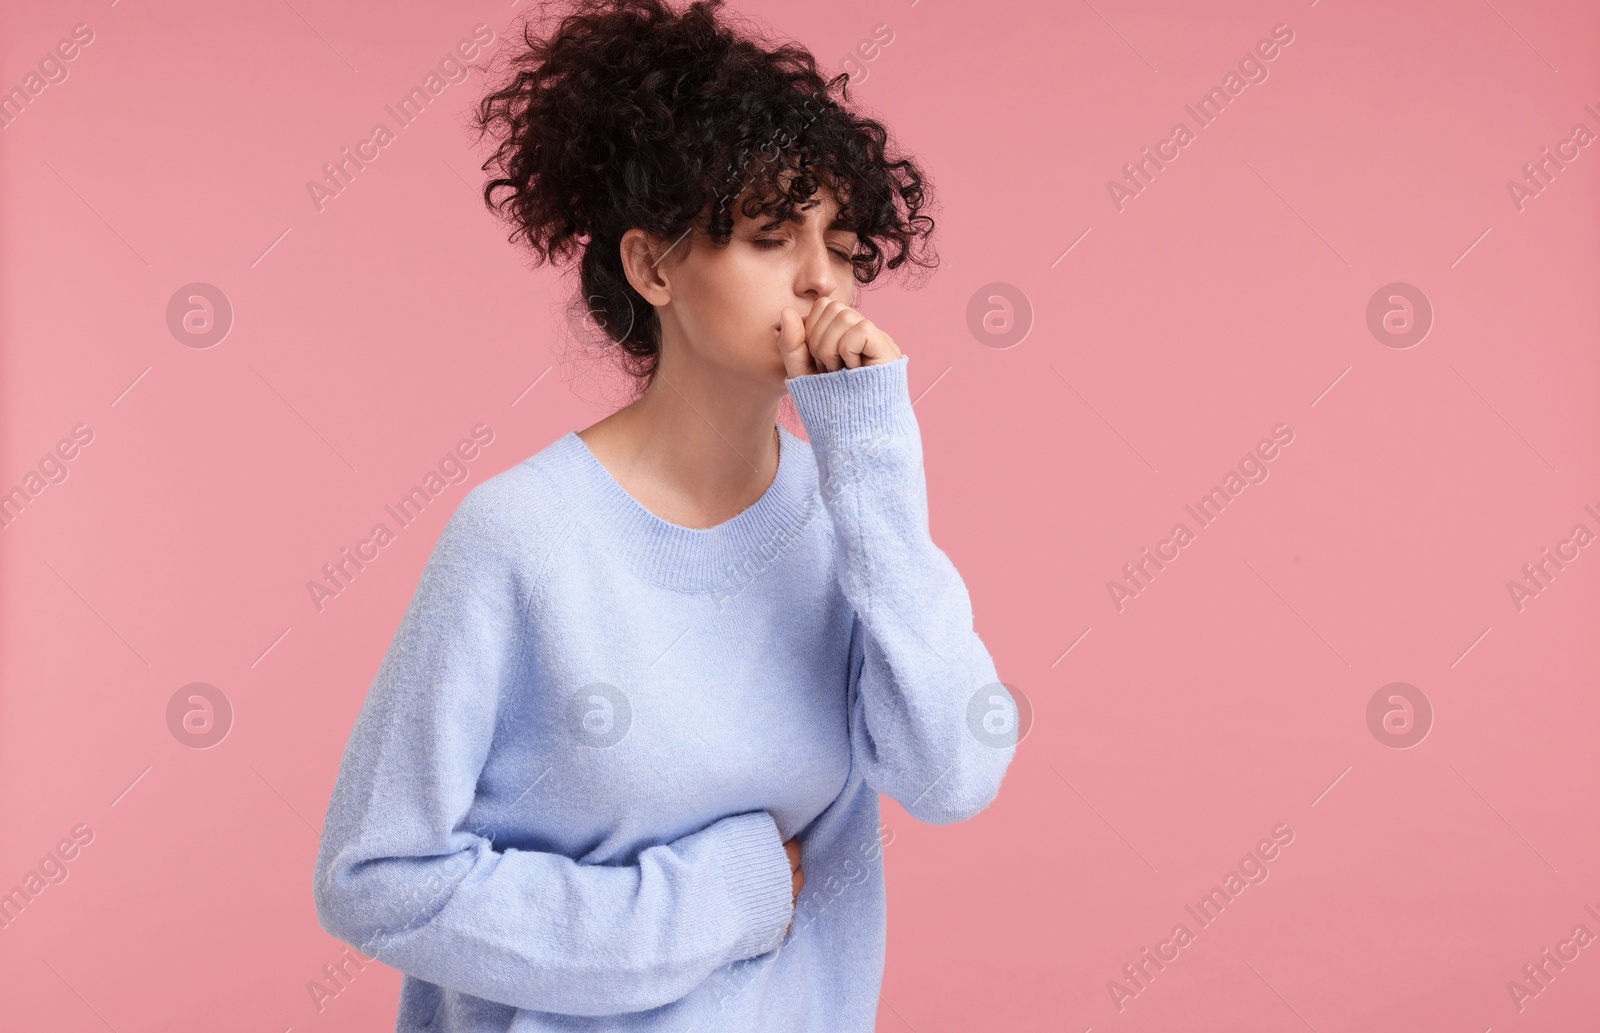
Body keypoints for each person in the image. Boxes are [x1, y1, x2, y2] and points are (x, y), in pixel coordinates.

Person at [310, 0, 1017, 1029]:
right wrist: (718, 898)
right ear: (652, 268)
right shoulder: (521, 538)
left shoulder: (849, 528)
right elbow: (376, 877)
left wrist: (871, 458)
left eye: (846, 243)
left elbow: (953, 773)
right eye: (771, 237)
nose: (823, 278)